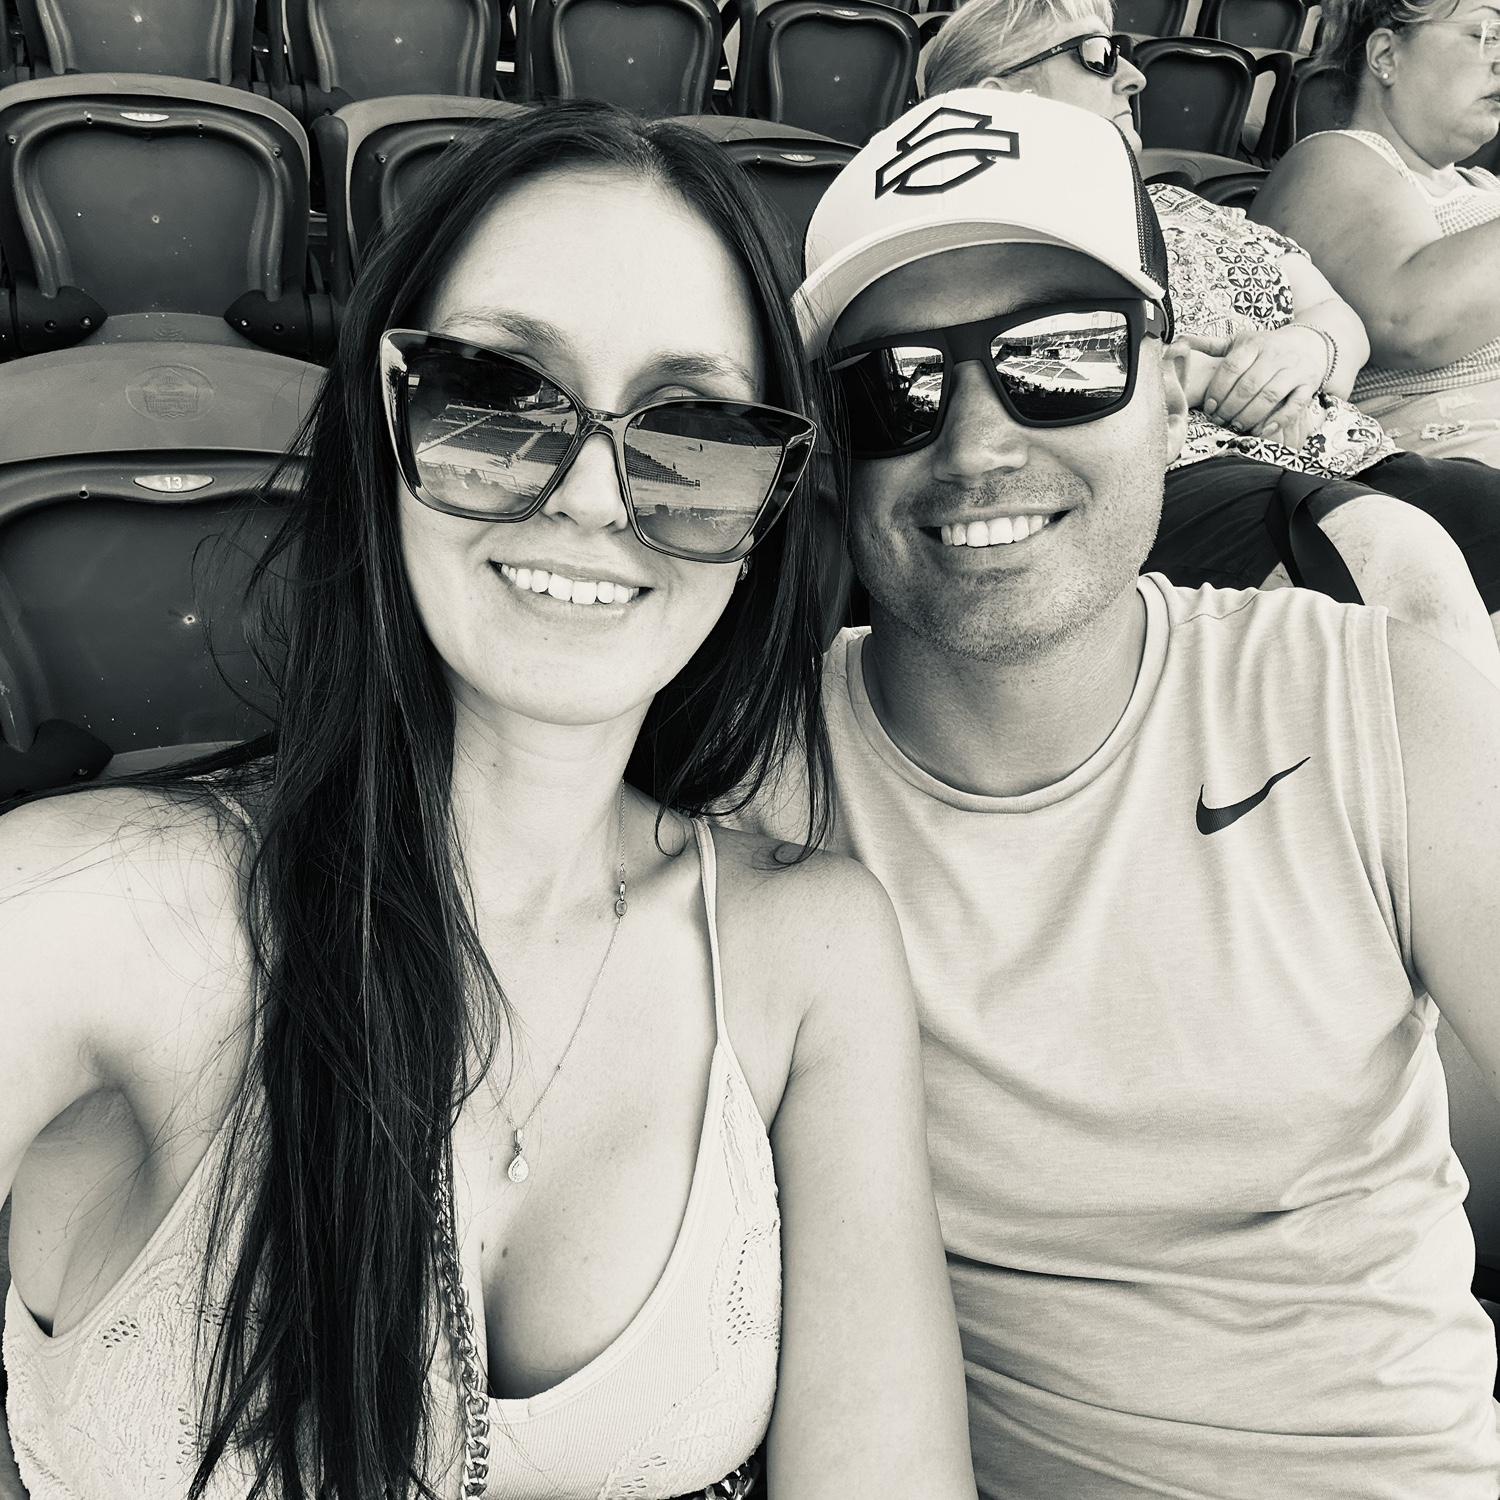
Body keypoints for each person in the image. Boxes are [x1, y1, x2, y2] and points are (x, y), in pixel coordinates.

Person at [0, 104, 977, 1500]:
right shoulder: (76, 911)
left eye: (694, 430)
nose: (593, 495)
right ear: (386, 415)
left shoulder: (810, 948)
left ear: (765, 511)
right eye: (497, 394)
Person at [733, 86, 1500, 1499]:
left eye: (1063, 353)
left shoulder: (1380, 705)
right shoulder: (751, 784)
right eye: (894, 384)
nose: (975, 445)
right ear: (830, 446)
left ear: (1167, 376)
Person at [921, 0, 1500, 678]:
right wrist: (1182, 376)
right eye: (1098, 57)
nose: (1134, 76)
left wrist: (1312, 349)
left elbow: (1338, 315)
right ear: (1004, 98)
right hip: (1182, 476)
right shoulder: (993, 230)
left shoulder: (1185, 206)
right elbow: (1005, 371)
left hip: (1348, 457)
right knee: (1385, 551)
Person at [1255, 0, 1500, 464]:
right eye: (1485, 34)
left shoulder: (1486, 187)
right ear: (1386, 55)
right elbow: (1412, 323)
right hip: (1438, 470)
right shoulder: (1333, 158)